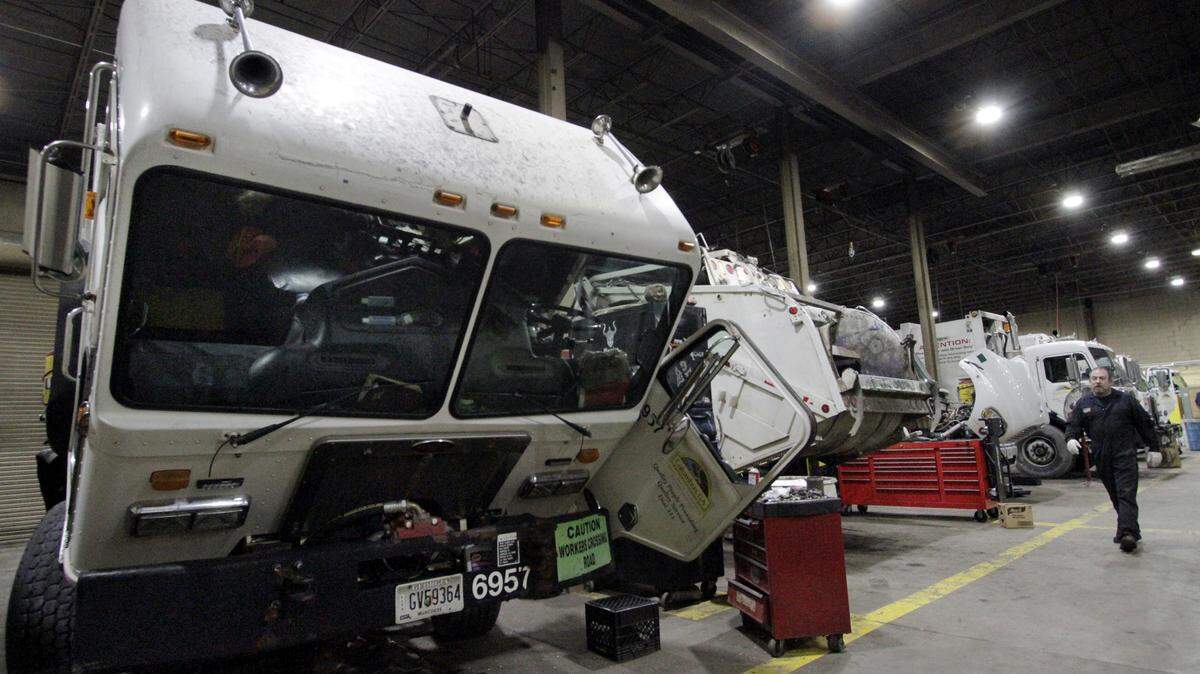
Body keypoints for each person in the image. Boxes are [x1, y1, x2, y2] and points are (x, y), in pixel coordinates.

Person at [1065, 366, 1159, 552]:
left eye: (1102, 378)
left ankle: (1127, 534)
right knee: (1115, 495)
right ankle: (1128, 530)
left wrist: (1154, 448)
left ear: (1110, 381)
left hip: (1124, 454)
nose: (1097, 381)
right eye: (1094, 378)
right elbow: (1073, 424)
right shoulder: (1084, 403)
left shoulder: (1125, 400)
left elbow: (1145, 424)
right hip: (1102, 457)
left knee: (1126, 494)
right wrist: (1070, 438)